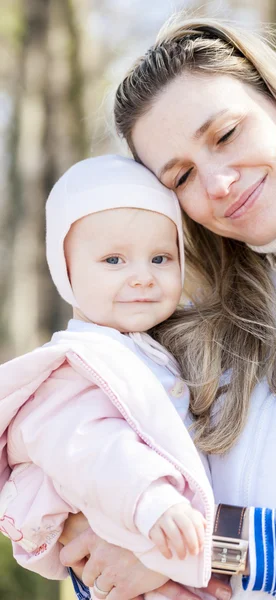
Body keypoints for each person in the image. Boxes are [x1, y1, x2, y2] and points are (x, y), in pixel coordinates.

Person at [3, 15, 276, 600]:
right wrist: (99, 541)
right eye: (182, 175)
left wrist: (209, 551)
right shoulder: (171, 331)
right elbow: (80, 529)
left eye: (226, 134)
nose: (217, 182)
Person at [0, 155, 215, 597]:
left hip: (173, 545)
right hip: (142, 524)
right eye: (114, 260)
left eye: (160, 257)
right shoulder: (75, 365)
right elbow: (89, 448)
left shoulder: (156, 349)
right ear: (66, 271)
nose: (141, 277)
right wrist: (152, 501)